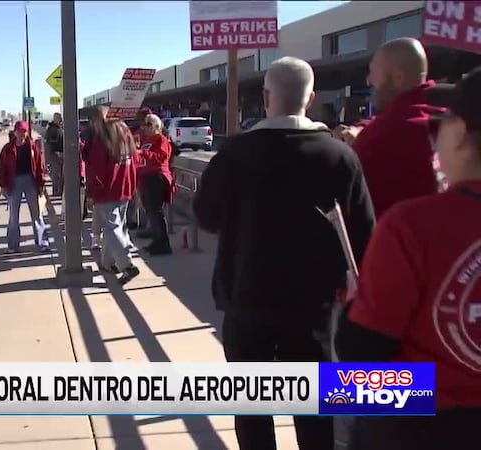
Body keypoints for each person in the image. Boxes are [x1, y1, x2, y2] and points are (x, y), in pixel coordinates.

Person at [193, 57, 376, 450]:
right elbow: (365, 236)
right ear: (310, 99)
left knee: (252, 408)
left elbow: (206, 217)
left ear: (265, 97)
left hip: (245, 298)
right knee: (313, 411)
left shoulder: (234, 154)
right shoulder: (339, 157)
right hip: (313, 307)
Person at [335, 67, 481, 450]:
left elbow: (362, 353)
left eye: (439, 127)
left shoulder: (412, 225)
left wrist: (354, 307)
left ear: (462, 133)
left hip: (420, 420)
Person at [335, 38, 438, 218]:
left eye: (373, 73)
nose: (368, 80)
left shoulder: (381, 137)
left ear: (397, 78)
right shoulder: (454, 117)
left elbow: (346, 204)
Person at [83, 105, 141, 284]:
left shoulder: (102, 137)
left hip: (108, 189)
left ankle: (127, 265)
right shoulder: (125, 132)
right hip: (125, 185)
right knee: (117, 225)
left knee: (113, 227)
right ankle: (109, 262)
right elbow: (135, 159)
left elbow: (96, 168)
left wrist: (92, 193)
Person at [0, 120, 50, 253]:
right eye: (19, 131)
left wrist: (41, 184)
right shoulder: (8, 149)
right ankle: (13, 245)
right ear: (14, 132)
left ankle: (42, 243)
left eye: (24, 131)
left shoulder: (32, 147)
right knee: (14, 215)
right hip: (14, 182)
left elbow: (40, 166)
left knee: (37, 213)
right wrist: (3, 185)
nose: (22, 134)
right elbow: (1, 168)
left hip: (30, 181)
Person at [136, 113, 174, 255]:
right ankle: (156, 240)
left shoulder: (161, 140)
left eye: (149, 124)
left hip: (157, 177)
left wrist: (144, 153)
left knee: (156, 212)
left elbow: (161, 157)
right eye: (145, 124)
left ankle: (163, 244)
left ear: (157, 127)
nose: (145, 127)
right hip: (146, 177)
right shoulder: (146, 139)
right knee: (151, 212)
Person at [45, 112, 65, 196]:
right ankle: (56, 192)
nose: (60, 120)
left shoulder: (59, 128)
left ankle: (59, 191)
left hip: (61, 153)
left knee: (61, 174)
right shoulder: (51, 129)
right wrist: (57, 152)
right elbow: (50, 142)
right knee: (56, 174)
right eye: (59, 118)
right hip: (54, 154)